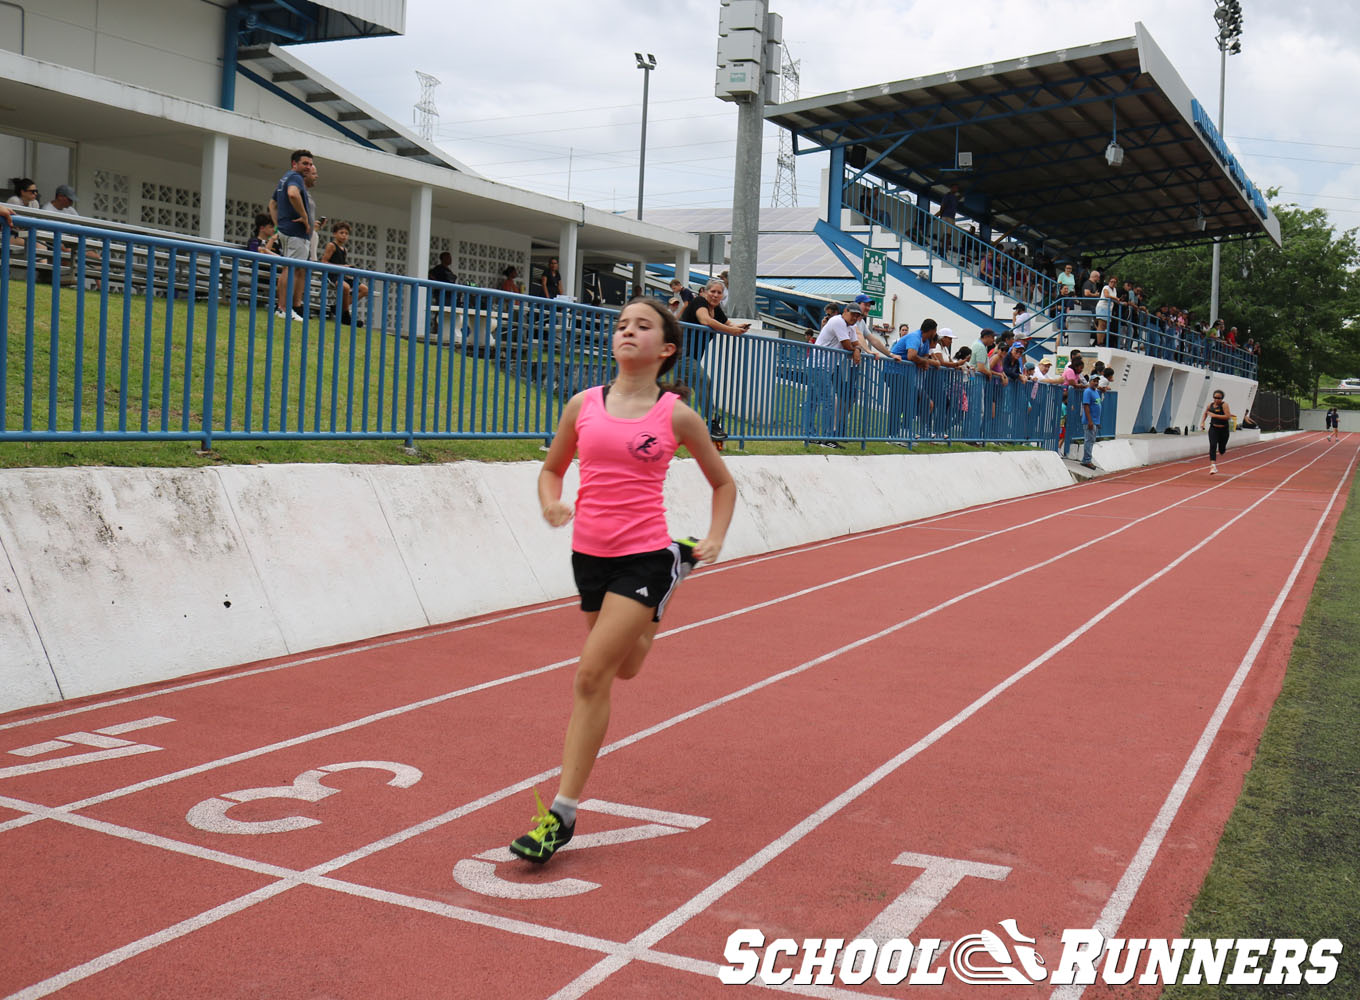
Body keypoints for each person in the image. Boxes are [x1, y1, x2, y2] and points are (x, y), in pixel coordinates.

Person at [507, 295, 736, 865]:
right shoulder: (582, 405)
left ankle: (560, 814)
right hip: (589, 555)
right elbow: (551, 468)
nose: (627, 332)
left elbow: (723, 483)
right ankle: (675, 582)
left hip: (643, 556)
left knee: (590, 677)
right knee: (626, 668)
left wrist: (716, 536)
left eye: (643, 326)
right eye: (621, 324)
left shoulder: (676, 415)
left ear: (666, 349)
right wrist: (551, 503)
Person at [679, 279, 750, 441]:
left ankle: (672, 428)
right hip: (681, 354)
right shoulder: (699, 302)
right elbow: (706, 321)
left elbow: (727, 323)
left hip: (693, 356)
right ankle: (711, 423)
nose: (715, 295)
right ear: (704, 291)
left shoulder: (716, 309)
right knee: (704, 380)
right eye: (713, 292)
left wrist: (740, 326)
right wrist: (732, 330)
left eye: (719, 293)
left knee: (680, 393)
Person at [268, 149, 318, 321]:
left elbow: (272, 204)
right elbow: (292, 194)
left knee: (292, 269)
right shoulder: (294, 177)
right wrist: (304, 217)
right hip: (294, 233)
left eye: (310, 164)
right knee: (290, 269)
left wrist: (277, 226)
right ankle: (283, 308)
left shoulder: (285, 178)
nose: (308, 167)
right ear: (294, 164)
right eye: (305, 163)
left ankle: (285, 308)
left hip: (289, 232)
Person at [810, 301, 863, 446]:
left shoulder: (850, 327)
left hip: (825, 367)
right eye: (853, 314)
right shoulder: (837, 321)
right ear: (845, 311)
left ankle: (812, 435)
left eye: (857, 316)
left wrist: (857, 349)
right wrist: (856, 350)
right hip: (818, 365)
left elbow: (856, 344)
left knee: (819, 401)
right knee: (828, 401)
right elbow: (847, 344)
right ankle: (826, 438)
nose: (854, 318)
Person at [318, 221, 368, 325]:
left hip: (343, 274)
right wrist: (343, 267)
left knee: (364, 290)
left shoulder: (344, 249)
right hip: (332, 274)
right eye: (341, 233)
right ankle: (345, 316)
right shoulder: (331, 246)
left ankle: (338, 308)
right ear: (335, 234)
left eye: (346, 233)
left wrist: (348, 269)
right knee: (345, 287)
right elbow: (324, 262)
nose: (344, 235)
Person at [1200, 389, 1234, 474]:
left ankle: (1222, 449)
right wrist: (1202, 422)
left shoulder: (1224, 405)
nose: (1216, 399)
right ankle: (1213, 466)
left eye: (1219, 398)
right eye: (1215, 397)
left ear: (1222, 398)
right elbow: (1206, 413)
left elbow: (1228, 416)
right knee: (1213, 445)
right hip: (1213, 428)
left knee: (1222, 450)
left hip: (1223, 429)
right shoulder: (1210, 405)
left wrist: (1215, 415)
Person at [1081, 376, 1102, 470]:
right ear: (1090, 381)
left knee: (1092, 440)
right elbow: (1086, 406)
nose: (1096, 383)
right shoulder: (1088, 392)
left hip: (1095, 421)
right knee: (1089, 440)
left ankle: (1087, 458)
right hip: (1090, 421)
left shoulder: (1096, 392)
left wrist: (1097, 422)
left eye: (1097, 381)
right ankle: (1086, 460)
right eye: (1094, 381)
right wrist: (1090, 421)